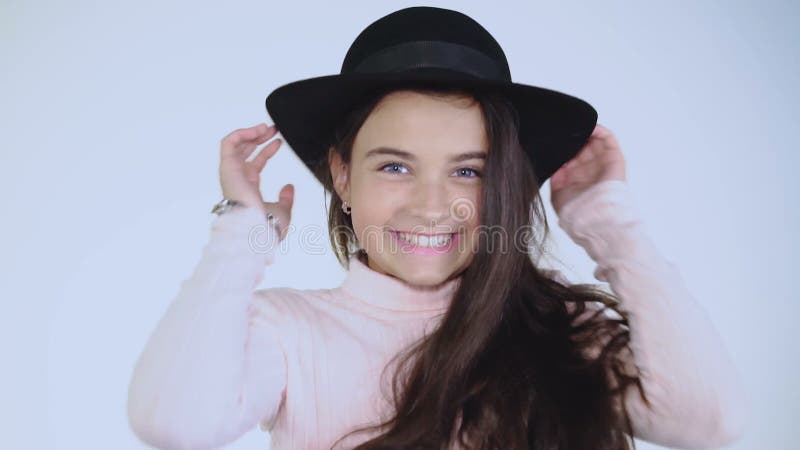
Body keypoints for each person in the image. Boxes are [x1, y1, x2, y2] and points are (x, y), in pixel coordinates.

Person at [126, 6, 750, 450]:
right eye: (395, 165)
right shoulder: (288, 332)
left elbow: (707, 421)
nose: (432, 206)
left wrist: (609, 223)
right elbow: (174, 424)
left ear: (505, 182)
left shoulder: (566, 333)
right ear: (341, 175)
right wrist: (242, 234)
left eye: (469, 172)